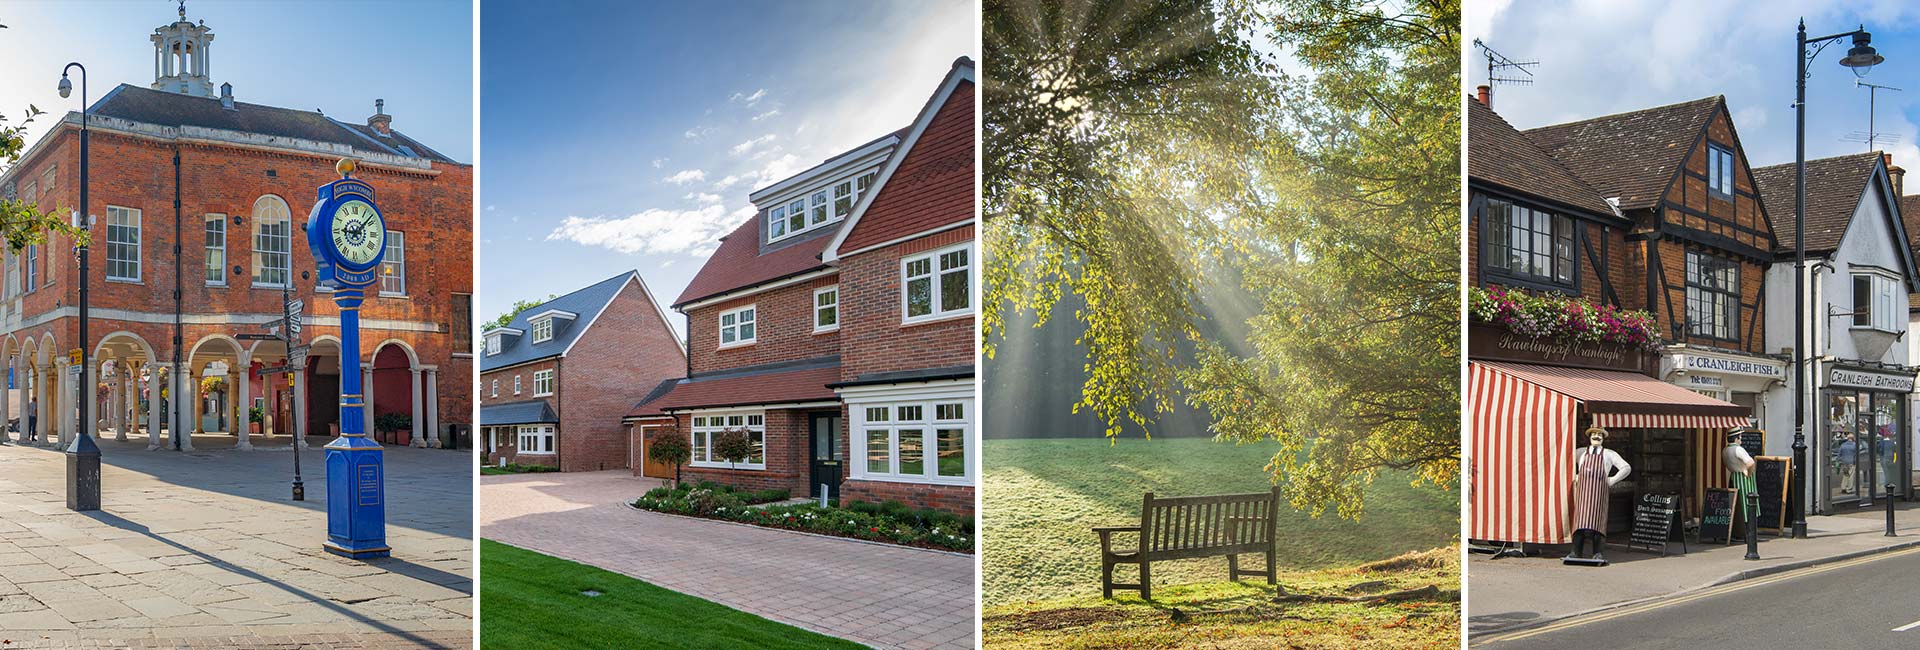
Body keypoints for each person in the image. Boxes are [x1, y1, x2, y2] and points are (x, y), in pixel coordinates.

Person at [1570, 426, 1631, 562]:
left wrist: (1612, 480)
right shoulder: (1580, 453)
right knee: (1579, 523)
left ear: (1603, 437)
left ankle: (1597, 553)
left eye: (1599, 434)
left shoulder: (1609, 454)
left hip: (1599, 494)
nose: (1596, 436)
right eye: (1594, 434)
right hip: (1582, 495)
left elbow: (1626, 467)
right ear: (1589, 436)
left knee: (1598, 524)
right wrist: (1574, 476)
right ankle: (1575, 552)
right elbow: (1565, 461)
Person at [1724, 428, 1758, 530]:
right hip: (1743, 480)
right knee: (1747, 505)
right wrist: (1748, 472)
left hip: (1733, 478)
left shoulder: (1725, 450)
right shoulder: (1738, 449)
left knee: (1735, 506)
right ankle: (1748, 529)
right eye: (1740, 436)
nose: (1741, 438)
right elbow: (1750, 462)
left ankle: (1736, 529)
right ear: (1737, 438)